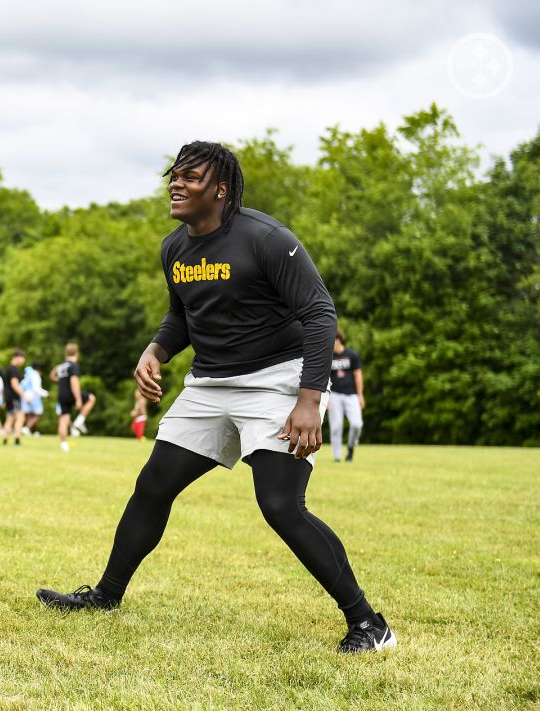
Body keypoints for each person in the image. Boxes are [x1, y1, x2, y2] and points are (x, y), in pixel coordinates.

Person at [36, 141, 395, 654]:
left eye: (190, 177)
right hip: (209, 384)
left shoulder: (266, 239)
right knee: (152, 486)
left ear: (221, 190)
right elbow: (183, 316)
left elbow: (320, 314)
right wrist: (156, 350)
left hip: (277, 381)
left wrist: (309, 400)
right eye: (173, 176)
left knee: (280, 505)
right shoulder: (174, 247)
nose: (175, 184)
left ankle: (369, 623)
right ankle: (106, 596)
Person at [328, 329, 365, 462]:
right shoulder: (328, 356)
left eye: (335, 340)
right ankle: (337, 457)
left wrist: (360, 395)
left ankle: (350, 446)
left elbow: (358, 376)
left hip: (351, 395)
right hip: (334, 395)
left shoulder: (352, 355)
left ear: (340, 340)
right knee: (336, 426)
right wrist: (325, 399)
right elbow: (323, 378)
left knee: (357, 424)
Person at [52, 343, 84, 451]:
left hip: (61, 394)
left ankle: (64, 444)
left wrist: (61, 380)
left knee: (63, 419)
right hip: (71, 394)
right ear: (77, 353)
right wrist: (78, 398)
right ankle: (79, 422)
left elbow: (52, 376)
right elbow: (74, 382)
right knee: (91, 398)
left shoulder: (61, 366)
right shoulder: (74, 365)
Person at [2, 349, 27, 445]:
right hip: (13, 398)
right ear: (17, 357)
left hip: (8, 398)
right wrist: (24, 395)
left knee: (10, 418)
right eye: (22, 359)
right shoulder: (13, 370)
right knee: (20, 417)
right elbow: (14, 384)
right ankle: (17, 438)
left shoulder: (9, 369)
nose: (22, 362)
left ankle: (5, 438)